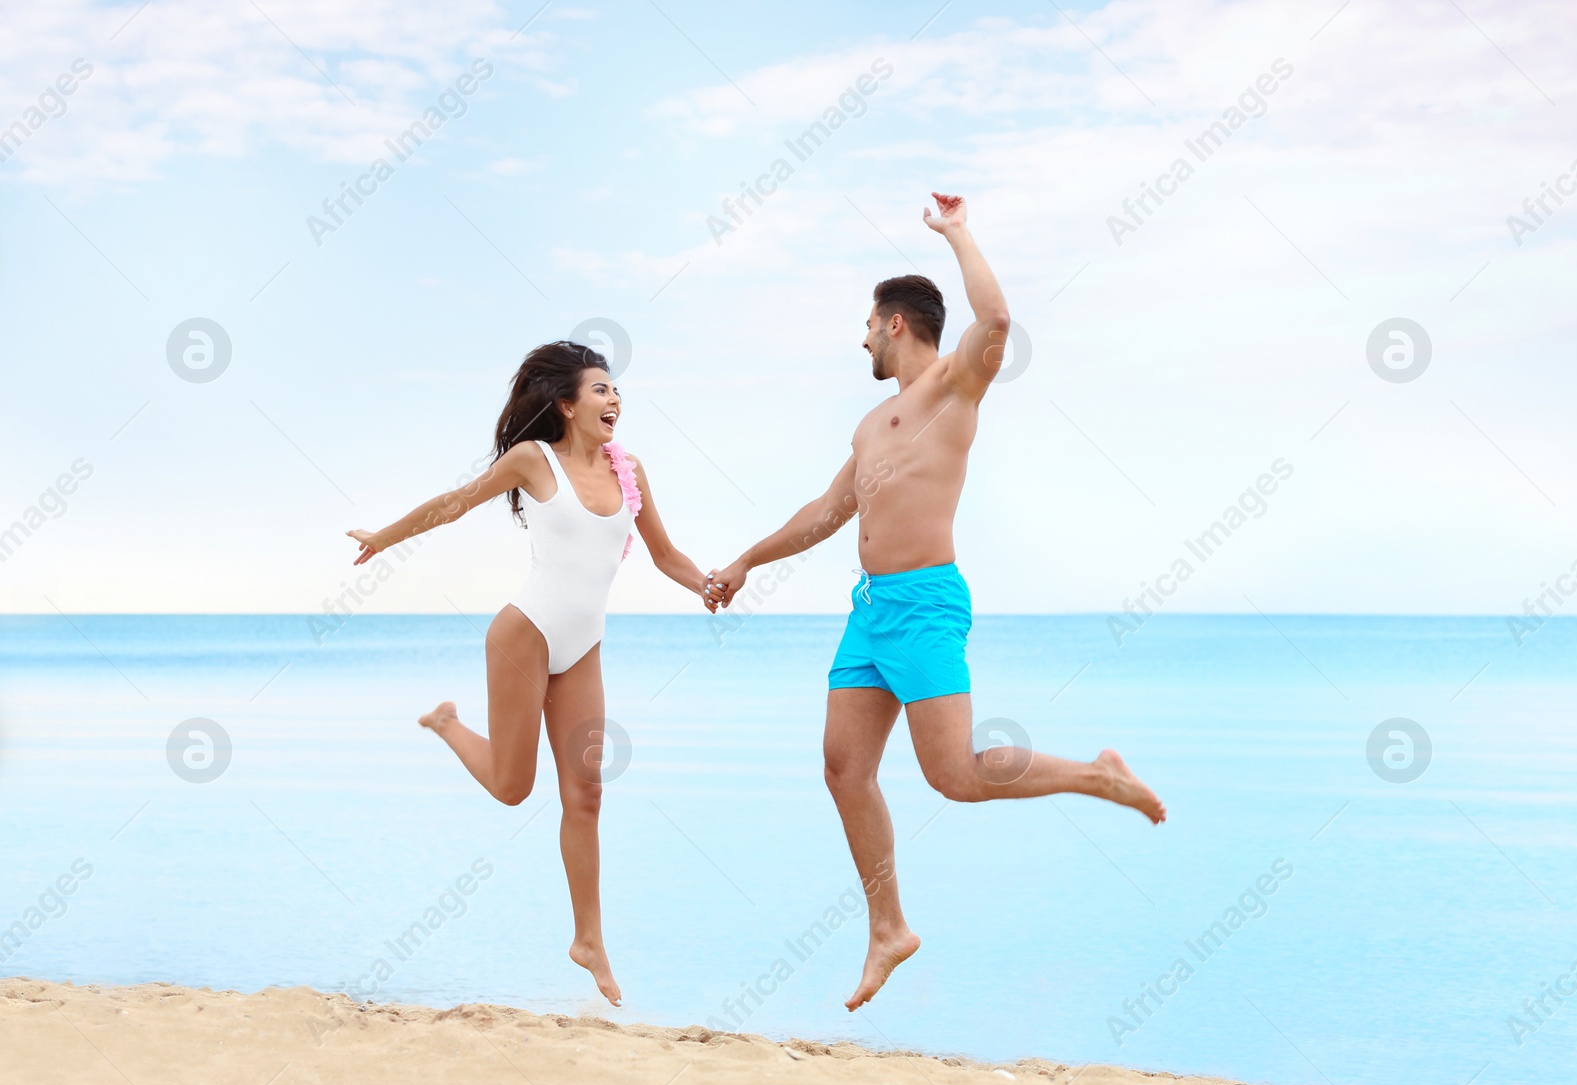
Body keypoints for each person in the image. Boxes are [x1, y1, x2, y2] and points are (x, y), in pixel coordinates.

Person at [704, 193, 1167, 1012]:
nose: (860, 340)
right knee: (844, 768)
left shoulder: (955, 388)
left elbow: (996, 320)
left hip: (925, 604)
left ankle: (1097, 775)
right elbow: (823, 514)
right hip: (870, 612)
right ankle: (888, 927)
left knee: (952, 774)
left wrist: (957, 232)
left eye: (867, 326)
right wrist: (745, 560)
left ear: (892, 324)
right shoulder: (871, 424)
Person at [346, 340, 708, 1006]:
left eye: (616, 391)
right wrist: (383, 537)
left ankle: (589, 938)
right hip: (526, 634)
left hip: (585, 645)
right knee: (514, 788)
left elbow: (665, 553)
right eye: (600, 390)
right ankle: (448, 722)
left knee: (588, 793)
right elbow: (455, 503)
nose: (614, 400)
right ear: (566, 405)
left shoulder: (630, 469)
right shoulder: (534, 461)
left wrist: (706, 584)